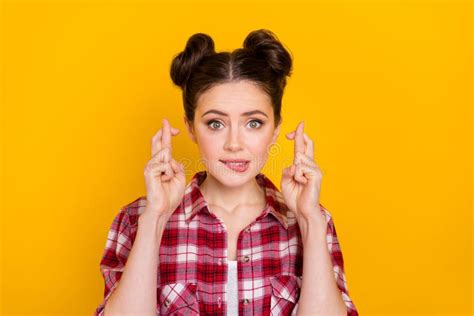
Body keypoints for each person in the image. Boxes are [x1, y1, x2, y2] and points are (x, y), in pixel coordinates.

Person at [94, 29, 359, 316]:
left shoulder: (313, 219)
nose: (234, 144)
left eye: (254, 123)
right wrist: (155, 218)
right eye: (216, 124)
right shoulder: (137, 219)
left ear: (276, 129)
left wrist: (309, 222)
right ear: (191, 127)